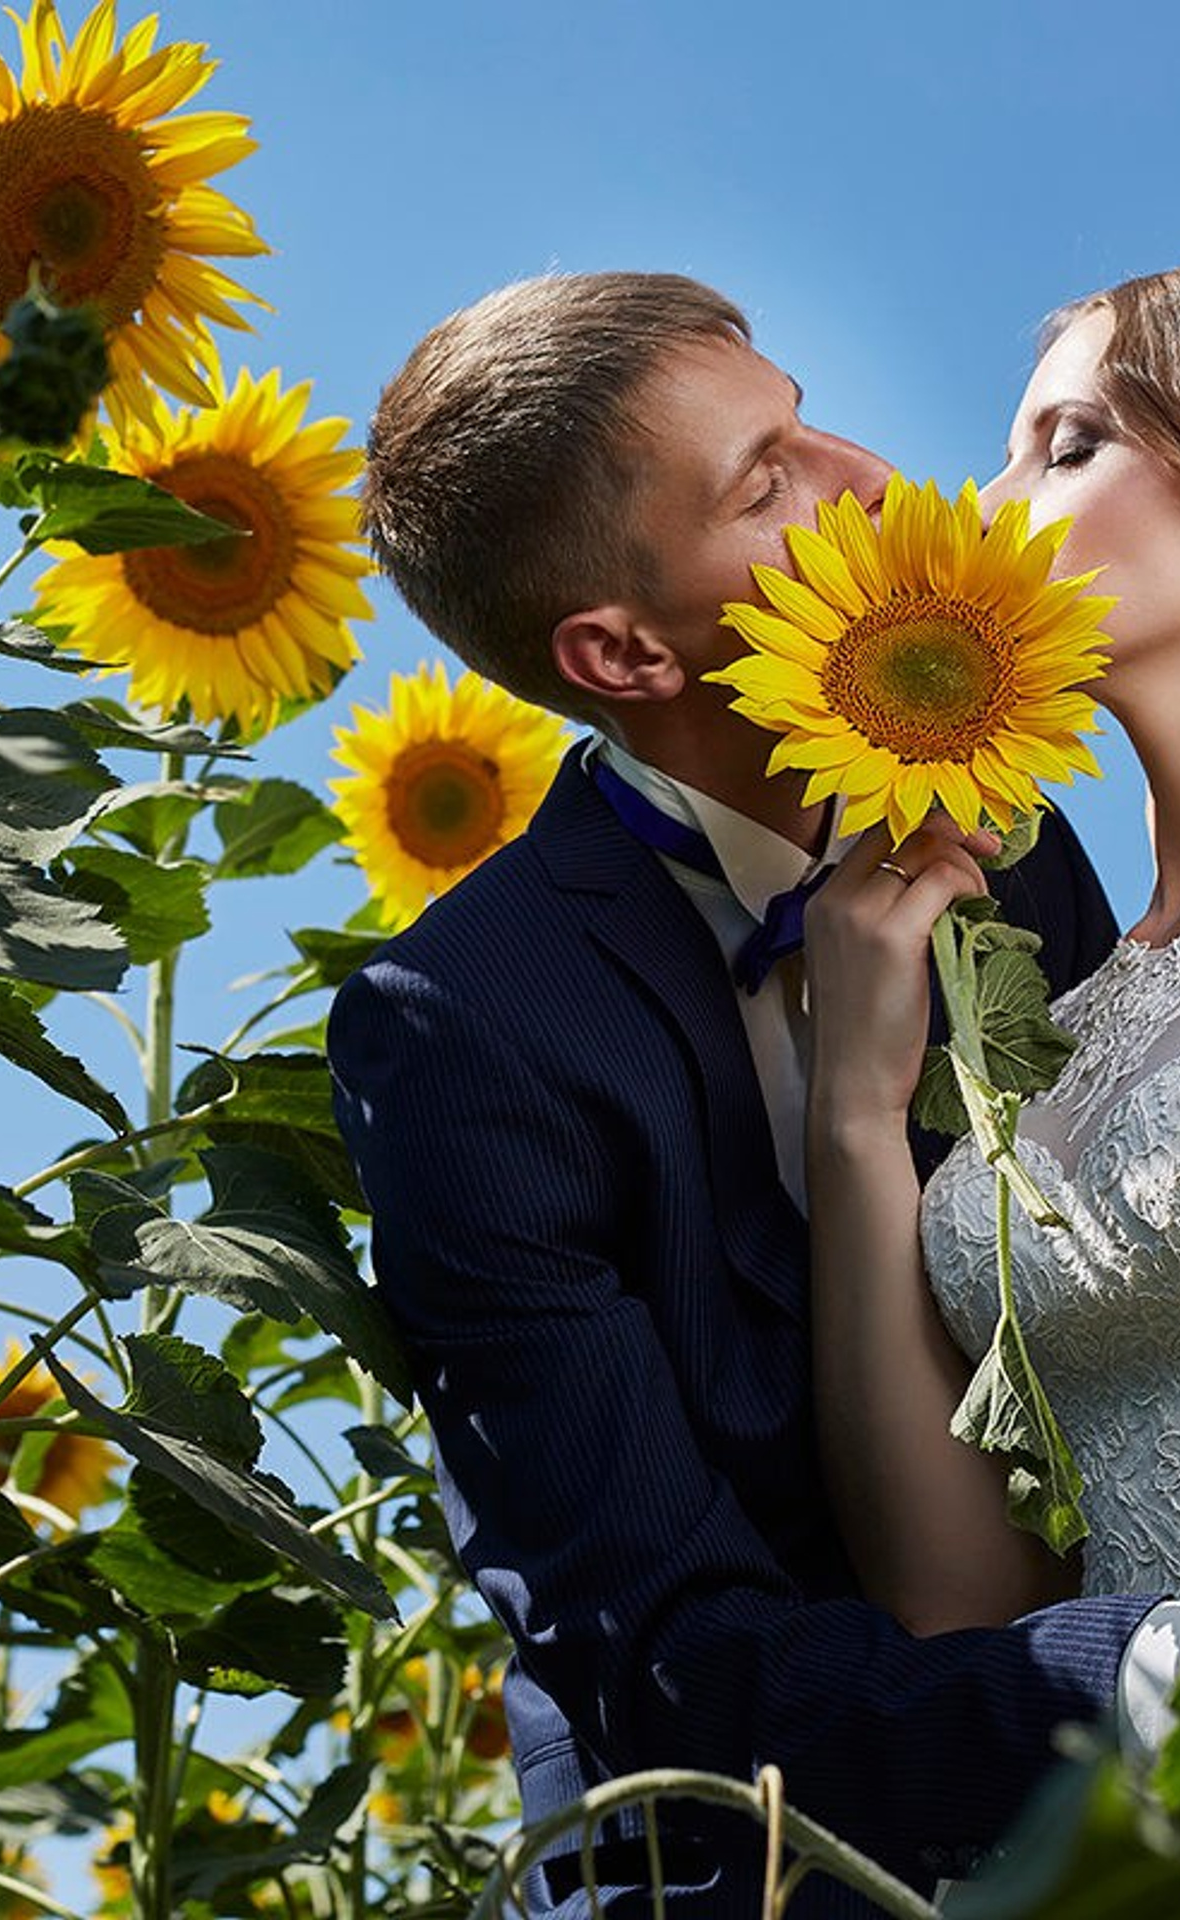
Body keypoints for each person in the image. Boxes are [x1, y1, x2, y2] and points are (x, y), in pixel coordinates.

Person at [327, 271, 1157, 1918]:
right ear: (622, 650)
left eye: (806, 415)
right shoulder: (467, 1028)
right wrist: (1138, 1684)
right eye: (767, 479)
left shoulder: (1017, 850)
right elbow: (670, 1659)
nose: (867, 481)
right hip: (758, 1872)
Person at [805, 269, 1180, 1653]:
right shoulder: (1076, 1014)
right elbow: (959, 1604)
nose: (979, 505)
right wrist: (852, 1109)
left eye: (1070, 445)